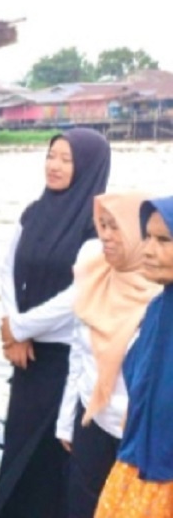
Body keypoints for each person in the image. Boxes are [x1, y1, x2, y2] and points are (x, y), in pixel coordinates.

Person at [0, 128, 111, 518]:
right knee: (17, 447)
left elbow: (79, 295)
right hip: (26, 357)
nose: (53, 166)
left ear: (88, 167)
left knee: (50, 459)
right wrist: (14, 328)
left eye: (66, 159)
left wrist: (21, 328)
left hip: (65, 361)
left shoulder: (98, 227)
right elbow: (9, 270)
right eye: (50, 156)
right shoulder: (33, 213)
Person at [55, 193, 160, 517]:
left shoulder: (159, 295)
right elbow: (78, 353)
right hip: (93, 417)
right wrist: (66, 421)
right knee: (81, 505)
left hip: (137, 434)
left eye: (116, 227)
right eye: (102, 226)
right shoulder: (95, 277)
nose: (106, 236)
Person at [93, 196, 173, 517]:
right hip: (137, 465)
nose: (149, 250)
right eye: (147, 237)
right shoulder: (157, 310)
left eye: (164, 240)